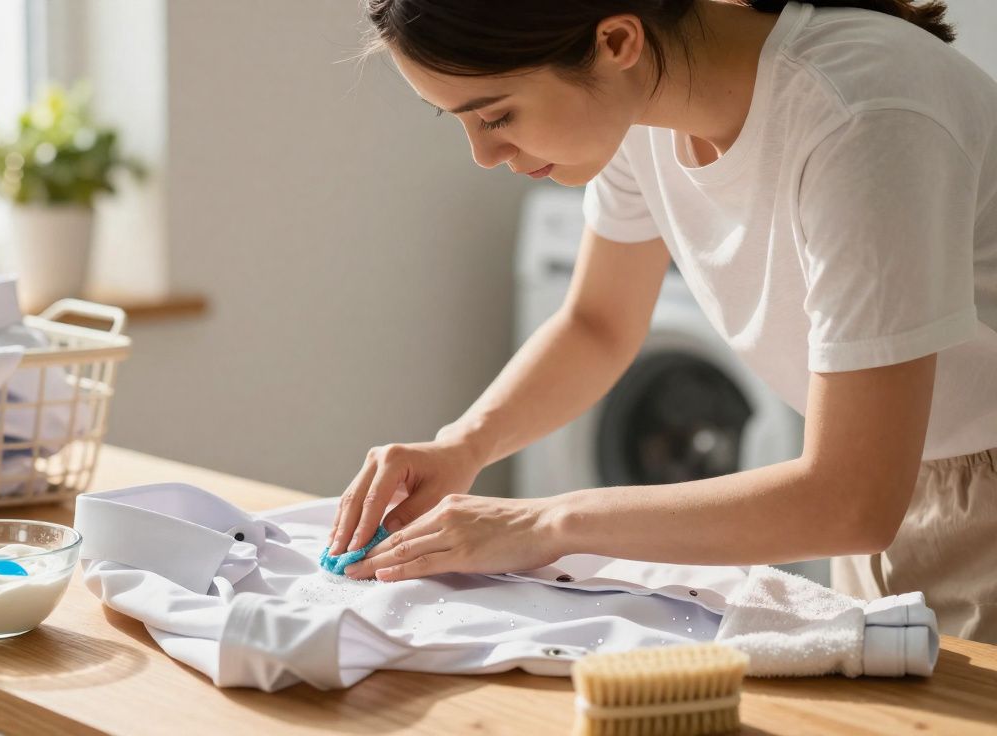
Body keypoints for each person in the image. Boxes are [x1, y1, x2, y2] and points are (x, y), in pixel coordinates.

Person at [327, 0, 997, 644]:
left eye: (496, 114)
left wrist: (546, 523)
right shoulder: (642, 106)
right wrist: (462, 446)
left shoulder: (862, 116)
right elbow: (598, 325)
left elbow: (850, 501)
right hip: (896, 484)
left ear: (617, 41)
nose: (483, 153)